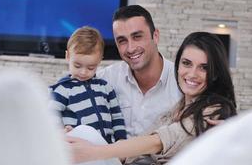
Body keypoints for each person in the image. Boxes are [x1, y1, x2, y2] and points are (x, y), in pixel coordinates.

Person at [67, 31, 237, 164]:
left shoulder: (215, 110)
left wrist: (94, 153)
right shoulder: (178, 109)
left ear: (215, 74)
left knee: (85, 136)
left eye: (204, 68)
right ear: (178, 66)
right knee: (81, 134)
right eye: (186, 63)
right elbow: (142, 143)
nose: (192, 74)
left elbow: (157, 142)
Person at [97, 5, 182, 137]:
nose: (130, 48)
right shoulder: (105, 79)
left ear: (156, 36)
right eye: (122, 41)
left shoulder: (181, 82)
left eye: (137, 37)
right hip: (115, 156)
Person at [50, 26, 127, 144]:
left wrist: (121, 140)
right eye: (77, 66)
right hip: (79, 147)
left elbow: (116, 117)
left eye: (91, 67)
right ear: (67, 56)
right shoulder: (62, 90)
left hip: (106, 147)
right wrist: (60, 131)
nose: (83, 72)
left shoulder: (106, 88)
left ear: (99, 60)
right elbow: (50, 113)